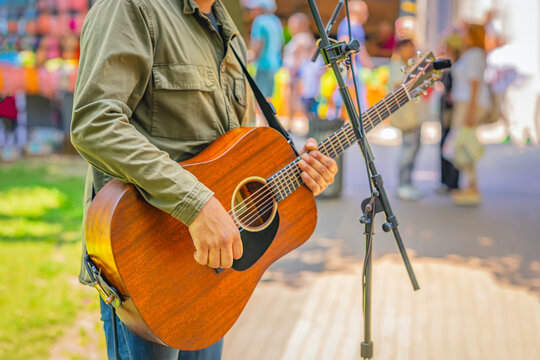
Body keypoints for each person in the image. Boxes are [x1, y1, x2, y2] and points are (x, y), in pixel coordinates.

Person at [70, 0, 338, 359]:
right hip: (146, 269)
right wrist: (196, 204)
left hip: (214, 277)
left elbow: (235, 153)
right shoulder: (131, 7)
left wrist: (298, 173)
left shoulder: (229, 34)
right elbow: (94, 124)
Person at [449, 24, 491, 205]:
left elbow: (475, 85)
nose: (463, 36)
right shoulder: (471, 54)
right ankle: (471, 185)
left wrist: (471, 112)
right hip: (464, 103)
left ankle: (472, 186)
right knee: (461, 144)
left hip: (469, 105)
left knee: (462, 144)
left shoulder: (475, 55)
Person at [387, 39, 425, 200]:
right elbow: (397, 87)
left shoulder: (409, 65)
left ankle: (407, 182)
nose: (410, 51)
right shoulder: (397, 66)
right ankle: (404, 184)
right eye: (407, 48)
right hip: (406, 116)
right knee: (408, 149)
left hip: (413, 115)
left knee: (414, 148)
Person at [437, 34, 463, 194]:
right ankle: (446, 181)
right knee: (446, 144)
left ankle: (451, 182)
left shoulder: (458, 64)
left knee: (449, 145)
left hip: (451, 110)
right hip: (447, 109)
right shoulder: (451, 63)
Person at [245, 0, 284, 98]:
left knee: (259, 98)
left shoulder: (259, 21)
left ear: (260, 8)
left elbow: (256, 48)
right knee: (268, 98)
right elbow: (281, 44)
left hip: (263, 66)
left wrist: (246, 59)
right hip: (275, 66)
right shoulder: (276, 21)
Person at [283, 12, 315, 118]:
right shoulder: (301, 37)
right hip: (296, 72)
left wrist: (293, 74)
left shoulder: (301, 38)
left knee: (294, 99)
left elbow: (297, 58)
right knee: (292, 99)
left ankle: (308, 118)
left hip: (296, 73)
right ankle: (292, 122)